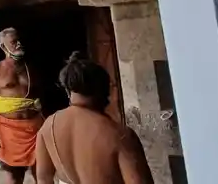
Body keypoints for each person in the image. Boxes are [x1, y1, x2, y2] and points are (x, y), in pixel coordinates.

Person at [36, 52, 153, 184]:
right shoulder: (120, 135)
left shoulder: (48, 126)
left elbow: (43, 179)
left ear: (68, 91)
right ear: (102, 89)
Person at [0, 27, 43, 184]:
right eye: (14, 42)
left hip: (34, 129)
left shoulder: (31, 68)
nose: (19, 44)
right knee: (14, 176)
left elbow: (41, 96)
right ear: (3, 46)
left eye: (19, 40)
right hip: (8, 131)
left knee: (41, 171)